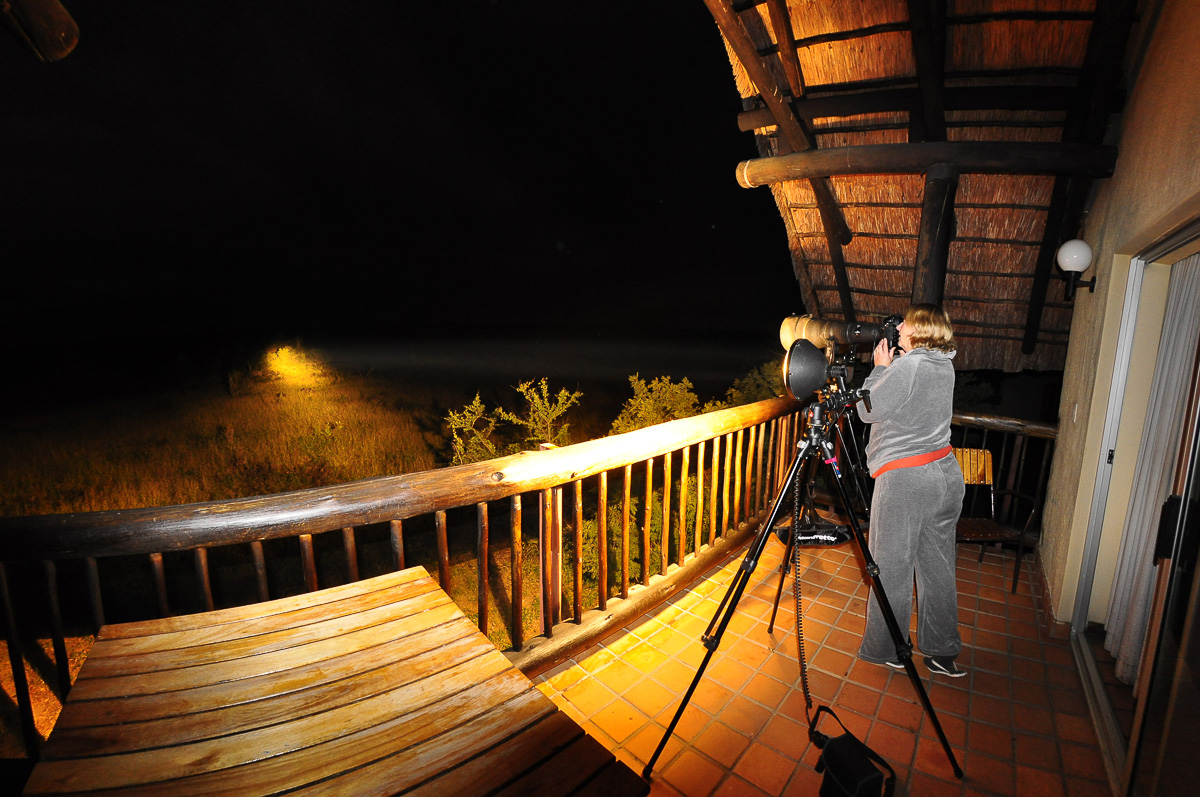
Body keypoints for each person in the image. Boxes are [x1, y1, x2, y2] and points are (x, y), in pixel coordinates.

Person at [855, 304, 966, 677]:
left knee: (890, 568)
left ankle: (886, 647)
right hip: (945, 475)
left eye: (905, 322)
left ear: (919, 330)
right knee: (937, 568)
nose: (899, 327)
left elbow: (867, 410)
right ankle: (941, 650)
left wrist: (879, 369)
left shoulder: (909, 366)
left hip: (907, 481)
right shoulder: (943, 365)